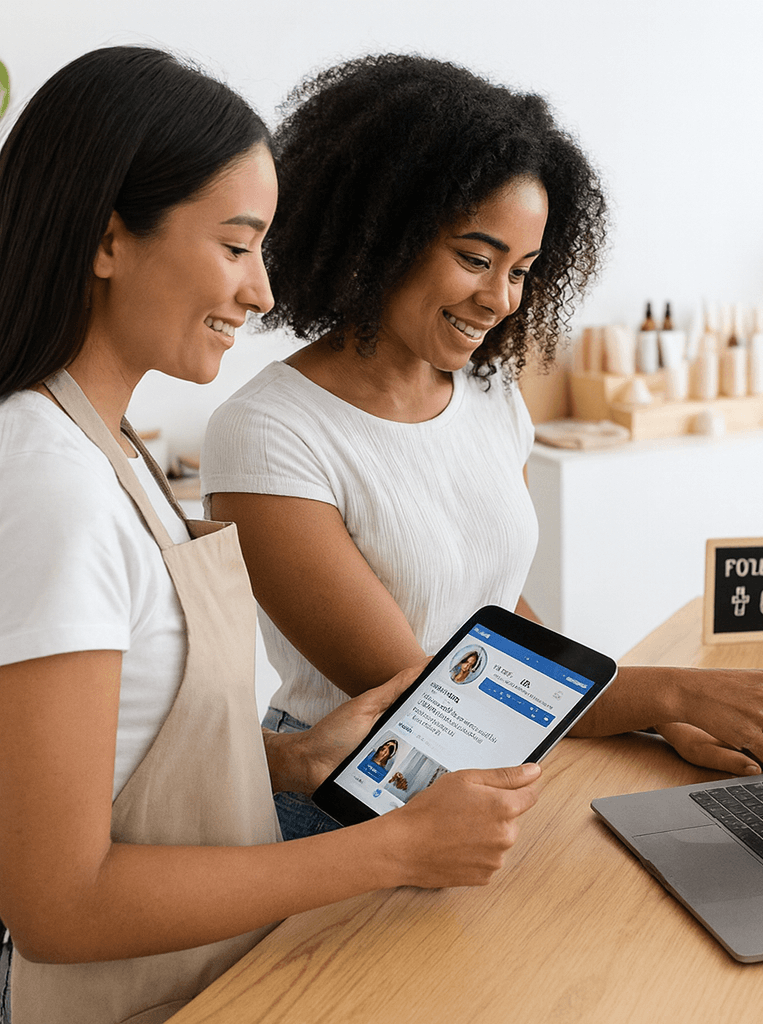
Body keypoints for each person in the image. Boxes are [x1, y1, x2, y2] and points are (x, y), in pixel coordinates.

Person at [202, 54, 763, 841]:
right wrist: (665, 694)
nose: (501, 298)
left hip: (488, 777)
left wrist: (646, 720)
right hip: (345, 812)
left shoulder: (488, 395)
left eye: (522, 270)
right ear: (385, 233)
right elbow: (421, 691)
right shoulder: (267, 433)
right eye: (476, 258)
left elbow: (498, 619)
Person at [0, 47, 541, 1024]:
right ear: (108, 238)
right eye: (238, 244)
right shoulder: (51, 484)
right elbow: (57, 904)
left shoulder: (109, 449)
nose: (260, 292)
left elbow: (116, 755)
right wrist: (395, 847)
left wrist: (286, 762)